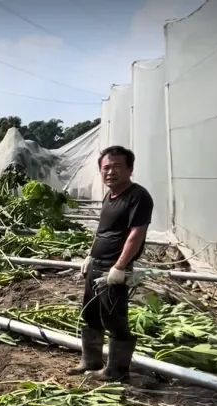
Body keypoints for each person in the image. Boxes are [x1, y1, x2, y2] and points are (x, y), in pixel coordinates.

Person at [68, 145, 153, 381]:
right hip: (97, 264)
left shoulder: (138, 196)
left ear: (130, 169)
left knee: (114, 319)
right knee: (91, 314)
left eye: (117, 167)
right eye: (106, 167)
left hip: (113, 269)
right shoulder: (109, 196)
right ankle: (90, 361)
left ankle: (116, 371)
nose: (110, 172)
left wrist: (120, 266)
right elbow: (102, 231)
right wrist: (90, 255)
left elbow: (136, 233)